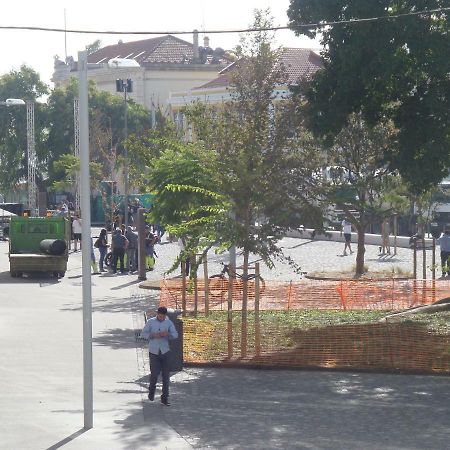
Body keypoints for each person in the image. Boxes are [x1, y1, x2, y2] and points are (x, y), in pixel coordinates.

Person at [140, 306, 178, 406]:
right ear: (157, 314)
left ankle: (165, 398)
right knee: (154, 374)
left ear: (165, 316)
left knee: (166, 376)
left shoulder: (169, 323)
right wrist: (152, 335)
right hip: (154, 352)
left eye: (163, 317)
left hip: (165, 352)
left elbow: (175, 335)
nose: (161, 318)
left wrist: (168, 334)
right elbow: (143, 334)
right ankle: (151, 391)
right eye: (160, 316)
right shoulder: (151, 322)